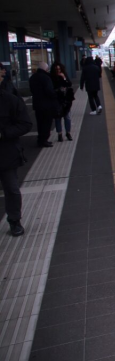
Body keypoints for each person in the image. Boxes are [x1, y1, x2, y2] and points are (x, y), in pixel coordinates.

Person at [0, 63, 32, 237]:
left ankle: (14, 221)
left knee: (12, 189)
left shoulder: (10, 100)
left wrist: (3, 134)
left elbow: (26, 124)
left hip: (6, 153)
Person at [28, 61, 57, 147]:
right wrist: (55, 95)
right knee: (47, 122)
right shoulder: (46, 78)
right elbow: (49, 91)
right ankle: (44, 139)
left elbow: (32, 90)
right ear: (45, 69)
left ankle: (40, 139)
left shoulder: (32, 77)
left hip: (37, 104)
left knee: (40, 122)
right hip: (46, 104)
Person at [51, 62, 74, 142]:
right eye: (56, 69)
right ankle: (59, 134)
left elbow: (69, 84)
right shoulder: (52, 78)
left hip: (66, 100)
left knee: (67, 117)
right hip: (57, 100)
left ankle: (68, 132)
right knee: (58, 117)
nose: (58, 71)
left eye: (59, 69)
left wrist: (64, 78)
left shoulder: (64, 75)